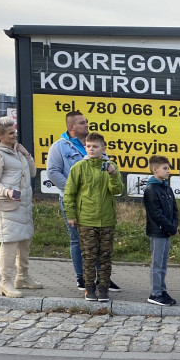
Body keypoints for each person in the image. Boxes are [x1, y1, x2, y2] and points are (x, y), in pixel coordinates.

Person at [46, 110, 121, 291]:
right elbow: (53, 172)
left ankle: (101, 277)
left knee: (98, 243)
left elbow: (108, 169)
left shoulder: (94, 145)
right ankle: (82, 277)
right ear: (71, 126)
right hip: (73, 201)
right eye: (81, 123)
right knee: (77, 240)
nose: (86, 125)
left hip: (97, 204)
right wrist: (74, 191)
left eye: (86, 122)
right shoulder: (59, 147)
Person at [0, 116, 41, 298]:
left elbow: (32, 173)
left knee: (25, 241)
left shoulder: (16, 151)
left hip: (23, 204)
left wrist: (27, 155)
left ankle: (23, 277)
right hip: (7, 205)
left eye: (14, 131)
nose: (14, 135)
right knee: (9, 243)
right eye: (10, 133)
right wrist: (7, 192)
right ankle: (5, 282)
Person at [64, 132, 123, 302]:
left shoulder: (110, 166)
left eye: (95, 146)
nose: (91, 149)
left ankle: (103, 288)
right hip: (86, 219)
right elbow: (69, 193)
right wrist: (71, 214)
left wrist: (113, 175)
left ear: (103, 148)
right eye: (88, 146)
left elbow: (117, 190)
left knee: (105, 256)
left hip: (106, 219)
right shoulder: (79, 168)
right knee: (89, 256)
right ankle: (89, 288)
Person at [143, 154, 179, 306]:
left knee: (163, 264)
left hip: (167, 231)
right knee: (157, 265)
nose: (168, 171)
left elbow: (175, 210)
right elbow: (156, 214)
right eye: (165, 168)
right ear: (155, 169)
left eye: (168, 168)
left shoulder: (167, 188)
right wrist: (170, 227)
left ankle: (162, 290)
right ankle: (155, 293)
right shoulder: (151, 189)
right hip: (158, 232)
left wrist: (174, 226)